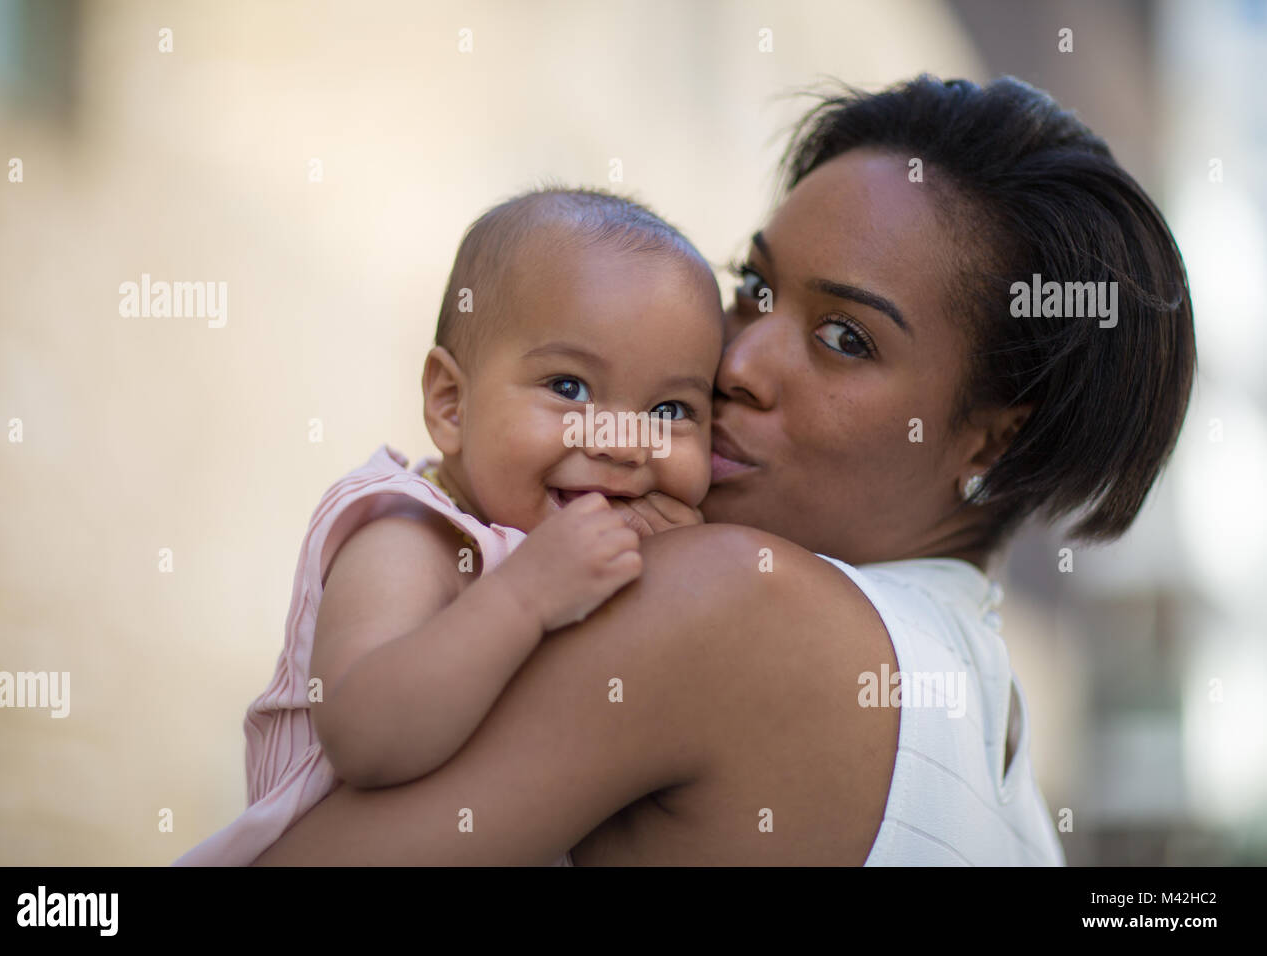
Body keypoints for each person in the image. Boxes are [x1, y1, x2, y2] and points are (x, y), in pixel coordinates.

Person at [252, 75, 1196, 866]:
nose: (737, 362)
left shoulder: (733, 599)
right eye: (753, 289)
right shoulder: (993, 733)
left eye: (844, 338)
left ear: (987, 442)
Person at [175, 187, 723, 866]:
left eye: (670, 409)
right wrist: (526, 595)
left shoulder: (606, 548)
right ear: (451, 404)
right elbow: (368, 736)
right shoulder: (410, 535)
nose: (622, 442)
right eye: (570, 388)